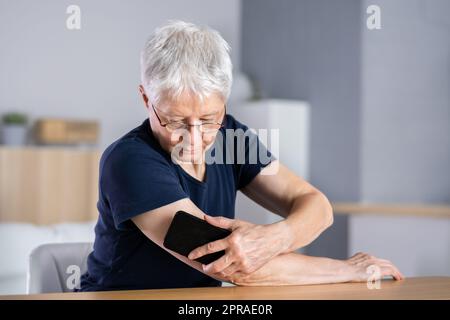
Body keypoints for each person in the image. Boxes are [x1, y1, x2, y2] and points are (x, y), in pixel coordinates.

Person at [79, 20, 403, 291]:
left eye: (208, 119)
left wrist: (275, 237)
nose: (194, 138)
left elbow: (317, 206)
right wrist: (346, 270)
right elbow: (230, 267)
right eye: (175, 120)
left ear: (225, 101)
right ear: (145, 98)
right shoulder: (130, 160)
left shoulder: (230, 138)